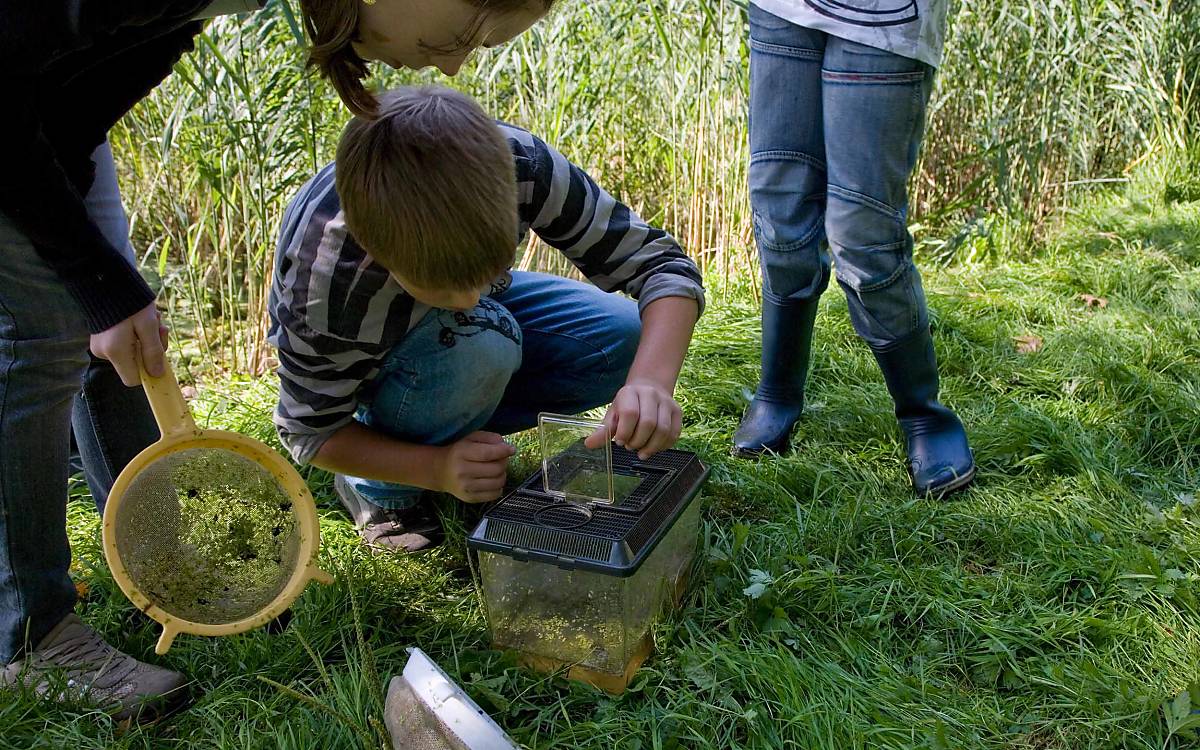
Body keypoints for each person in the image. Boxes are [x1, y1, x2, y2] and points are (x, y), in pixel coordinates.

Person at [0, 0, 553, 721]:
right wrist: (91, 279)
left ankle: (159, 564)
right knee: (40, 335)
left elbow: (67, 111)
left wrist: (106, 274)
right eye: (461, 33)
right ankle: (31, 637)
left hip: (41, 125)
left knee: (107, 331)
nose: (451, 64)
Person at [270, 86, 704, 552]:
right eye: (443, 289)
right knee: (484, 340)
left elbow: (662, 266)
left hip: (478, 321)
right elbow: (309, 431)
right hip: (380, 353)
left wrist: (651, 382)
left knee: (625, 335)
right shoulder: (323, 285)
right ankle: (381, 489)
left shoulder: (522, 165)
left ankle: (453, 418)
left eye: (484, 276)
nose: (467, 300)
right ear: (375, 252)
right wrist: (434, 468)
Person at [730, 0, 976, 497]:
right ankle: (777, 393)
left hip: (884, 16)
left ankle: (923, 414)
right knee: (780, 210)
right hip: (783, 9)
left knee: (863, 233)